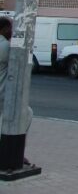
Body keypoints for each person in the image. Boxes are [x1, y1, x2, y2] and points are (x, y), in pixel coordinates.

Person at [0, 16, 33, 167]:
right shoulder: (5, 47)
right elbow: (23, 64)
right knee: (25, 113)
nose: (12, 30)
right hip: (4, 95)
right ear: (4, 29)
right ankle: (14, 154)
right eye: (10, 27)